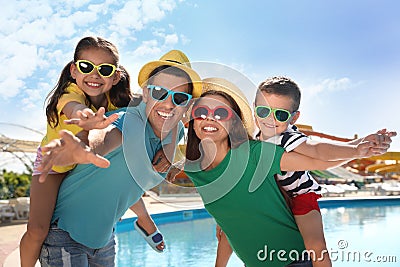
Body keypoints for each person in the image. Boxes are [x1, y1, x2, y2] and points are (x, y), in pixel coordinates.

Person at [183, 77, 394, 267]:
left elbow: (318, 154)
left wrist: (357, 149)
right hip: (277, 221)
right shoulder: (251, 143)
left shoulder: (282, 141)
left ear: (293, 118)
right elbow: (229, 226)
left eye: (221, 113)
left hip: (301, 199)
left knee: (316, 246)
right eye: (201, 112)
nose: (270, 120)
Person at [35, 49, 201, 266]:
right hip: (65, 233)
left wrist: (171, 155)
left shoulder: (176, 130)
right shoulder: (128, 120)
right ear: (146, 93)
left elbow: (127, 183)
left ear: (187, 104)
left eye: (179, 97)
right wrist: (82, 149)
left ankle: (144, 222)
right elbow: (104, 137)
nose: (169, 104)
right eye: (159, 92)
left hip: (104, 238)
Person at [20, 36, 132, 267]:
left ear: (115, 76)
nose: (94, 74)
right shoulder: (68, 93)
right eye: (86, 66)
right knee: (37, 229)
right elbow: (73, 106)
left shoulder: (116, 102)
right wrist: (85, 116)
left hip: (82, 165)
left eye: (104, 69)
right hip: (53, 164)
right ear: (74, 70)